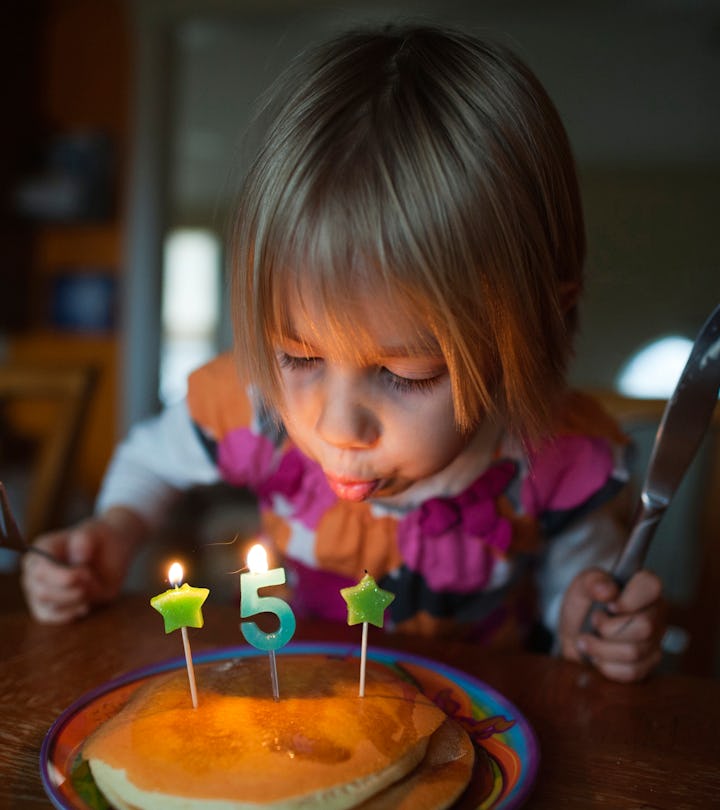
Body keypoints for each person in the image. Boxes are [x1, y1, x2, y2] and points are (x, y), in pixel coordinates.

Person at [22, 23, 666, 682]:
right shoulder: (258, 409)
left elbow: (574, 602)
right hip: (304, 701)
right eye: (298, 357)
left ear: (537, 325)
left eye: (403, 373)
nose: (336, 426)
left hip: (486, 722)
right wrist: (115, 531)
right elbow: (151, 460)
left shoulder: (554, 456)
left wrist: (590, 626)